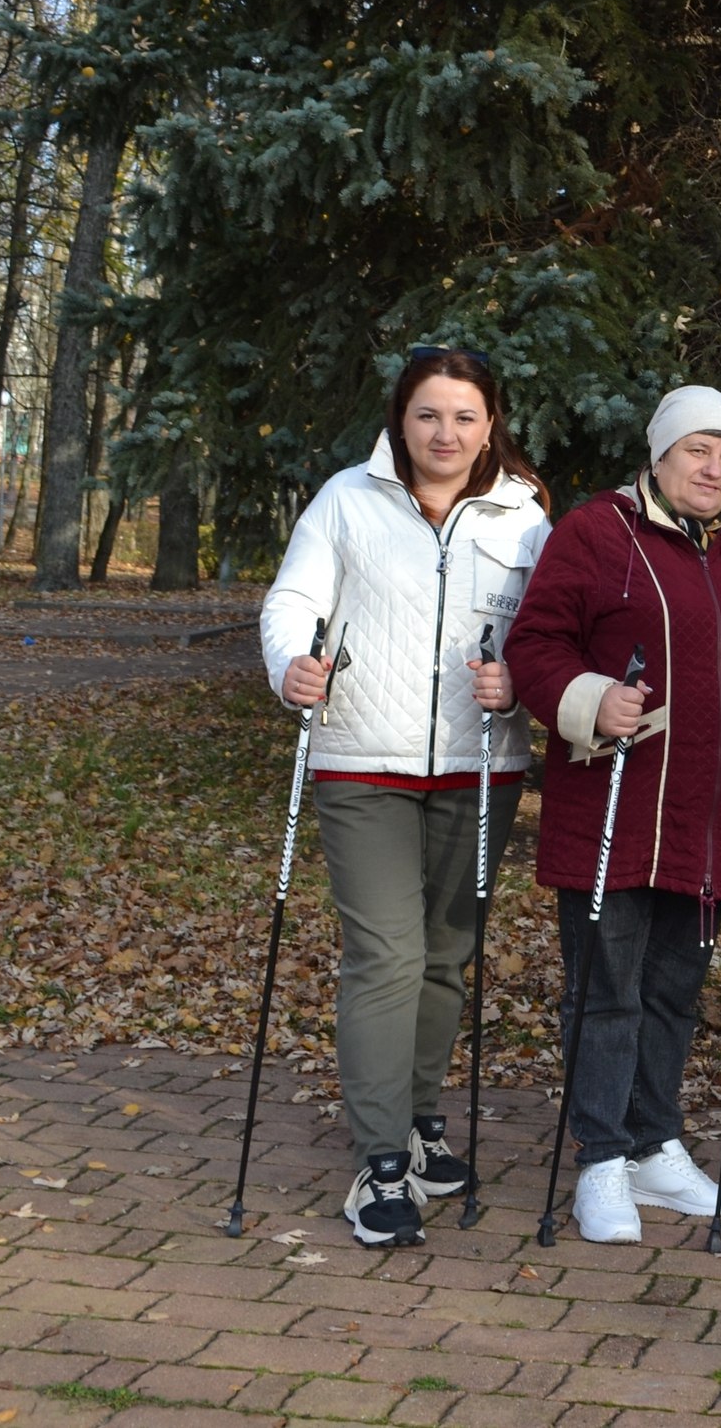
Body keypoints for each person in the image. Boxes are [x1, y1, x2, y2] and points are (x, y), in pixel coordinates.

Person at [259, 347, 552, 1248]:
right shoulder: (348, 499)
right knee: (387, 955)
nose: (446, 433)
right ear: (401, 418)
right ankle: (380, 1161)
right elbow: (292, 600)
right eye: (429, 414)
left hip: (479, 766)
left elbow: (549, 633)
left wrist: (522, 685)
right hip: (362, 764)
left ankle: (423, 1126)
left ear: (490, 423)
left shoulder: (525, 518)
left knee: (444, 957)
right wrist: (290, 667)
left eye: (464, 416)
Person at [502, 386, 721, 1244]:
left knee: (674, 990)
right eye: (697, 450)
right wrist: (590, 698)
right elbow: (535, 645)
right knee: (606, 990)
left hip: (715, 811)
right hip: (615, 803)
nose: (712, 468)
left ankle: (653, 1142)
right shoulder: (599, 532)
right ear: (660, 454)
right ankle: (601, 1158)